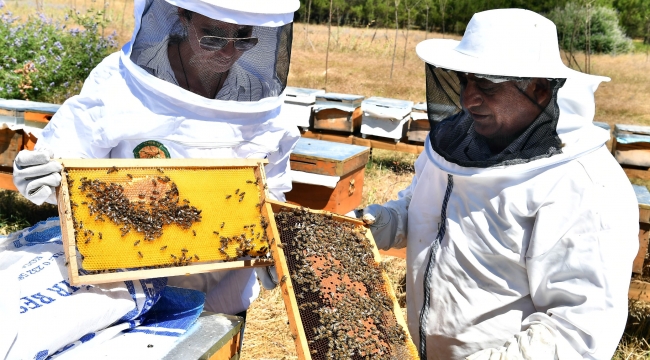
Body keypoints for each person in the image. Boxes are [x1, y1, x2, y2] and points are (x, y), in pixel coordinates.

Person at [361, 9, 638, 360]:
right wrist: (389, 221)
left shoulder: (583, 183)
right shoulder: (455, 143)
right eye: (465, 81)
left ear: (538, 89)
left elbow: (576, 331)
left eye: (487, 86)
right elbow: (426, 207)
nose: (467, 99)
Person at [12, 0, 298, 316]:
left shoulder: (259, 97)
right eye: (213, 36)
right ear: (183, 15)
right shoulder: (118, 83)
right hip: (127, 287)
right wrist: (43, 178)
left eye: (244, 36)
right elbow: (68, 162)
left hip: (225, 291)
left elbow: (272, 190)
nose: (228, 52)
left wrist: (274, 245)